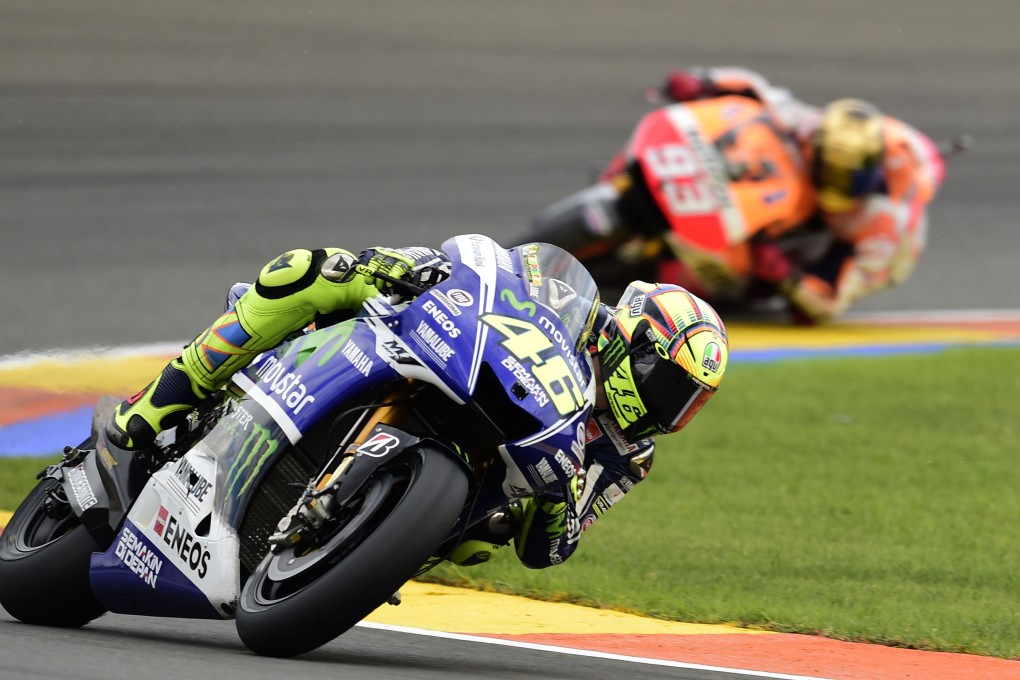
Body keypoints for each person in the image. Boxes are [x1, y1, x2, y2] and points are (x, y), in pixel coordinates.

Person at [105, 242, 729, 569]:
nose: (675, 410)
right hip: (449, 355)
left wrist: (559, 499)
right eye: (673, 387)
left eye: (691, 401)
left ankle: (364, 547)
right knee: (313, 271)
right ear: (635, 347)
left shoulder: (627, 455)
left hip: (475, 474)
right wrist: (417, 265)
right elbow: (500, 270)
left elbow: (549, 551)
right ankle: (155, 404)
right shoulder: (578, 307)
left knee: (484, 540)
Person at [661, 66, 945, 323]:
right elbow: (762, 93)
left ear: (872, 173)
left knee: (800, 309)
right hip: (823, 171)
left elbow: (829, 304)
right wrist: (704, 81)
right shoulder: (816, 128)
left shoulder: (886, 228)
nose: (835, 185)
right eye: (829, 171)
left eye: (847, 178)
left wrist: (786, 276)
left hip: (869, 245)